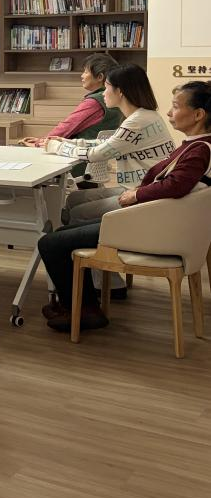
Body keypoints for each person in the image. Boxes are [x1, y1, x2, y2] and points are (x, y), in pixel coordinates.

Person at [37, 80, 211, 332]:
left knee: (50, 242)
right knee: (62, 235)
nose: (169, 112)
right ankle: (79, 305)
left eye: (175, 106)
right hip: (156, 221)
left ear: (198, 114)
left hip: (151, 227)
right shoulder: (197, 146)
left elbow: (176, 185)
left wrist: (137, 194)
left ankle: (84, 310)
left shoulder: (198, 150)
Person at [45, 63, 174, 226]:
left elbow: (95, 155)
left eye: (106, 88)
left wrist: (57, 147)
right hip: (138, 186)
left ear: (120, 91)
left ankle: (76, 238)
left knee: (77, 212)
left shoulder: (137, 121)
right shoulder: (145, 115)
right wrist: (67, 141)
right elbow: (108, 144)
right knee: (73, 198)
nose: (103, 93)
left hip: (141, 193)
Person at [21, 54, 122, 151]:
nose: (82, 76)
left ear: (100, 77)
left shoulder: (94, 102)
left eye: (86, 72)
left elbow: (67, 127)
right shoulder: (117, 97)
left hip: (78, 155)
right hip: (101, 154)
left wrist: (39, 143)